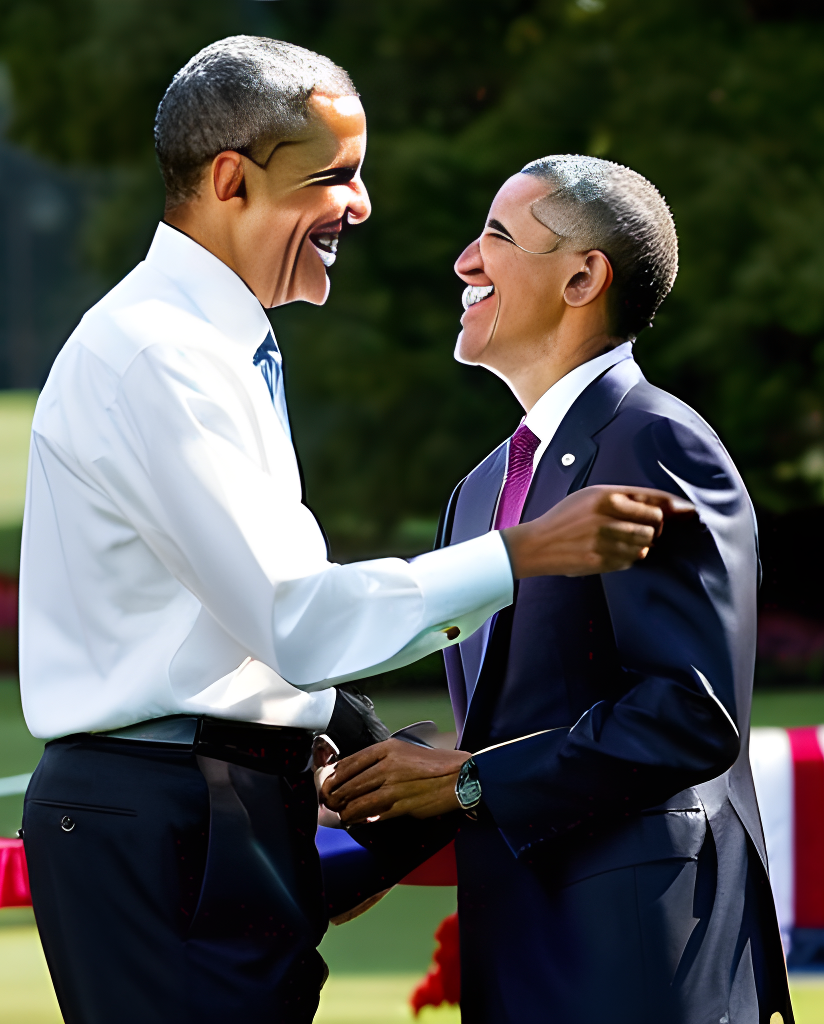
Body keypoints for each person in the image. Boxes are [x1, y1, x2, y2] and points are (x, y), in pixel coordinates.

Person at [16, 37, 690, 1024]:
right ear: (231, 180)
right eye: (334, 176)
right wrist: (523, 552)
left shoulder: (210, 341)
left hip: (207, 808)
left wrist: (339, 735)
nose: (362, 205)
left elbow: (240, 615)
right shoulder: (163, 354)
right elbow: (295, 613)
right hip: (168, 813)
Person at [324, 156, 793, 1023]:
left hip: (643, 950)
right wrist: (371, 803)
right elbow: (515, 731)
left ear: (584, 276)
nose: (466, 261)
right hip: (516, 949)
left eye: (497, 237)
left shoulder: (654, 441)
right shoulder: (477, 492)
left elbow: (690, 715)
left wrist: (466, 782)